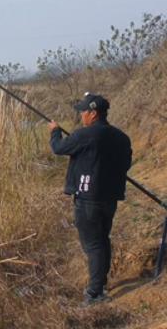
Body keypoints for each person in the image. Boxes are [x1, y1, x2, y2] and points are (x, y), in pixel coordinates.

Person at [48, 93, 132, 306]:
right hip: (109, 199)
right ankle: (100, 284)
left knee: (93, 245)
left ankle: (95, 294)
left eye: (83, 112)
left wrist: (55, 132)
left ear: (93, 113)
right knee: (102, 240)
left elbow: (58, 148)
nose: (81, 116)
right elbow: (125, 165)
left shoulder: (85, 135)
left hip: (88, 200)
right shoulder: (122, 137)